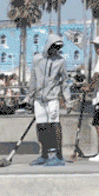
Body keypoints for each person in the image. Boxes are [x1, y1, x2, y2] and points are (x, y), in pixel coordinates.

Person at [27, 34, 71, 166]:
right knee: (41, 127)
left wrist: (68, 100)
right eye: (54, 46)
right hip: (39, 99)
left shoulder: (60, 61)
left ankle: (58, 156)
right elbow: (33, 79)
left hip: (52, 98)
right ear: (48, 45)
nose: (56, 50)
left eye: (58, 47)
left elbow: (64, 82)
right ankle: (44, 154)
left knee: (54, 125)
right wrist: (29, 97)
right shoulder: (37, 59)